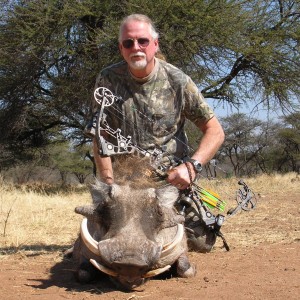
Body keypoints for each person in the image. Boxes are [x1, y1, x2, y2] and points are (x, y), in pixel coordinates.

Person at [87, 14, 225, 252]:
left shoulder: (178, 81)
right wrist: (109, 185)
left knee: (202, 243)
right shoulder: (107, 79)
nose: (136, 48)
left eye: (142, 41)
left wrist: (191, 167)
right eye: (128, 43)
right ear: (121, 48)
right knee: (108, 241)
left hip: (168, 185)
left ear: (155, 44)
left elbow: (215, 131)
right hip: (125, 186)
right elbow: (100, 136)